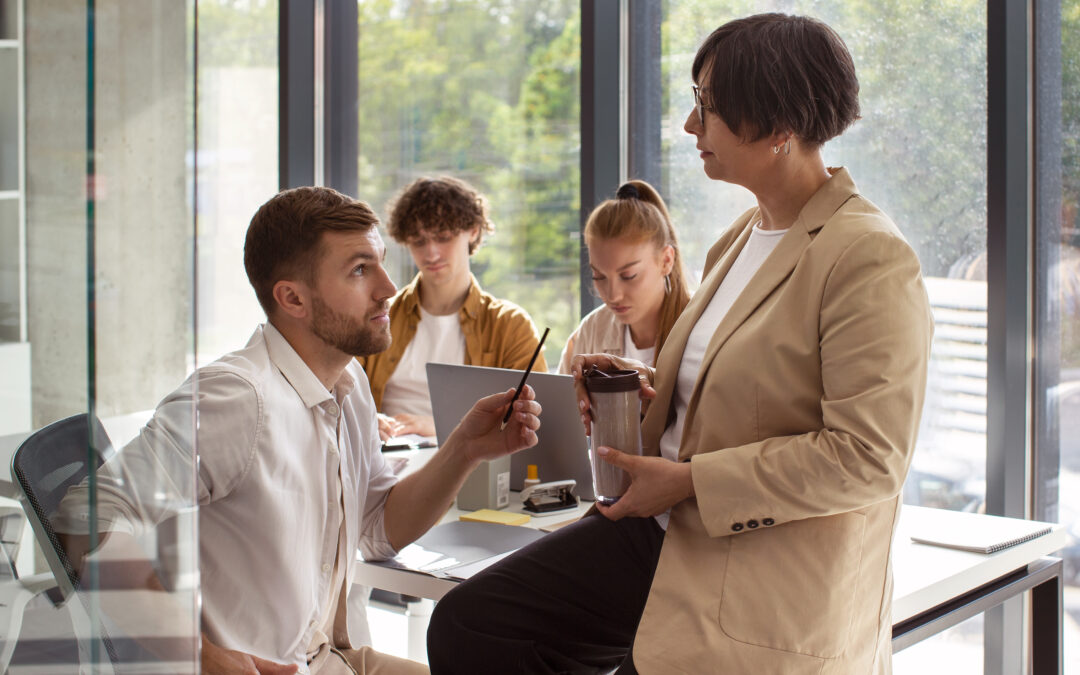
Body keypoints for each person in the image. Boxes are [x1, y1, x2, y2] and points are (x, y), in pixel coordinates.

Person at [427, 13, 933, 674]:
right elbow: (728, 398)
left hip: (750, 562)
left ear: (778, 126)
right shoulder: (740, 239)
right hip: (661, 532)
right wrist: (634, 395)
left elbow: (868, 457)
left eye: (708, 108)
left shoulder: (867, 257)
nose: (692, 127)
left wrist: (689, 481)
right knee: (471, 625)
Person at [54, 186, 542, 674]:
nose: (388, 288)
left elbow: (375, 528)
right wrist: (204, 658)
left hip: (328, 657)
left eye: (380, 263)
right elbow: (83, 519)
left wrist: (463, 450)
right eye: (359, 270)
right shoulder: (236, 398)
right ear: (292, 298)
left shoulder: (347, 381)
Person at [359, 176, 547, 441]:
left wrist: (437, 426)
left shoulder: (510, 324)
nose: (431, 253)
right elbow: (339, 395)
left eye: (443, 237)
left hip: (470, 465)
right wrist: (365, 419)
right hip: (386, 459)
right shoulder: (379, 315)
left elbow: (533, 423)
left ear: (473, 230)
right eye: (419, 241)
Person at [557, 180, 691, 373]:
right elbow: (561, 400)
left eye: (628, 276)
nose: (613, 296)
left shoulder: (703, 327)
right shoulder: (591, 330)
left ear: (666, 260)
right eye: (599, 276)